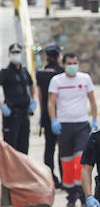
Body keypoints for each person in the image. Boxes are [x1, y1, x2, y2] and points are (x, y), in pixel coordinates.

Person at [48, 52, 98, 206]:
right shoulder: (57, 80)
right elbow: (51, 102)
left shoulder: (85, 79)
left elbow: (92, 100)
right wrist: (53, 120)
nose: (72, 66)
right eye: (69, 63)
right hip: (64, 126)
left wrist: (94, 120)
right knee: (67, 162)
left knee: (80, 160)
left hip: (82, 124)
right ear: (63, 65)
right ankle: (71, 193)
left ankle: (83, 192)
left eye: (75, 63)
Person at [0, 43, 36, 154]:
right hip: (12, 115)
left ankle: (22, 172)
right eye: (14, 53)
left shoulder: (24, 71)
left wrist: (33, 100)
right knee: (11, 150)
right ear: (9, 54)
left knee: (24, 148)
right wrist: (2, 105)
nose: (16, 55)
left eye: (18, 52)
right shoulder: (5, 72)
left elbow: (31, 85)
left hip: (25, 114)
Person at [36, 43, 64, 186]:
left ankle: (50, 178)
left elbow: (40, 95)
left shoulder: (41, 73)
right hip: (62, 113)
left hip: (47, 114)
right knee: (63, 148)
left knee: (49, 147)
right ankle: (65, 178)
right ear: (58, 55)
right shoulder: (62, 72)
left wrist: (42, 114)